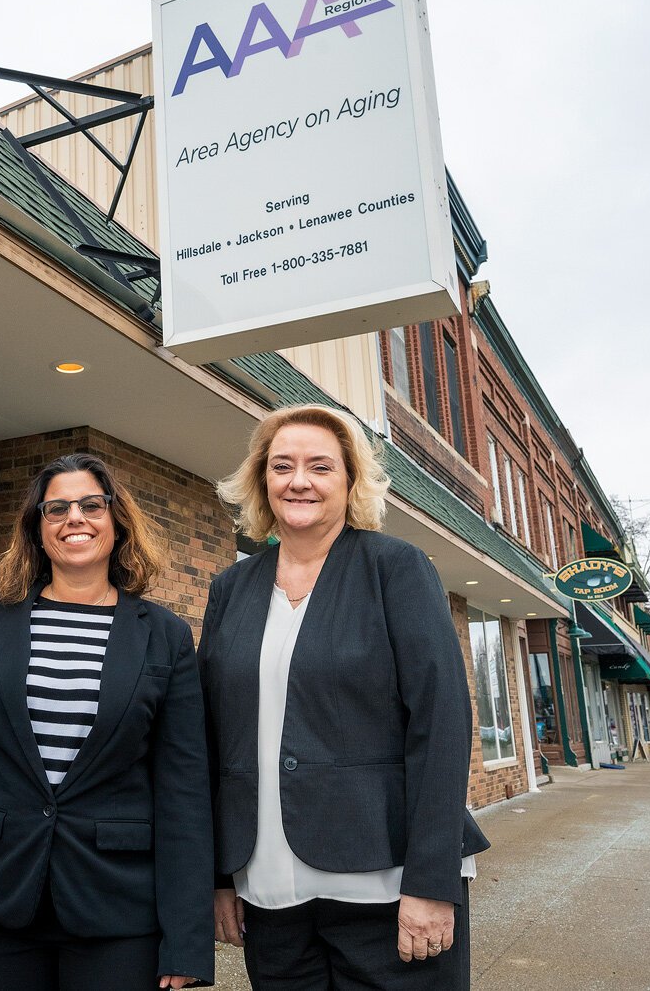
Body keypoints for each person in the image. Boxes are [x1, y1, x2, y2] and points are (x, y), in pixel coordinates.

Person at [201, 405, 489, 990]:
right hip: (268, 887)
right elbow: (211, 736)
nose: (298, 480)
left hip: (386, 882)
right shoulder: (232, 588)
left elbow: (442, 725)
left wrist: (431, 882)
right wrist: (218, 875)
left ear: (351, 481)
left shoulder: (396, 569)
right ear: (261, 481)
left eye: (320, 466)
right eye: (281, 466)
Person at [0, 453, 213, 991]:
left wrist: (186, 938)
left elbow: (184, 791)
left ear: (116, 520)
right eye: (56, 508)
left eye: (90, 505)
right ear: (37, 528)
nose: (73, 518)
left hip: (117, 909)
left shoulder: (163, 635)